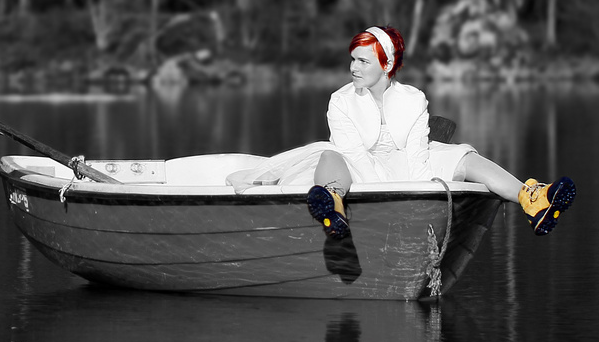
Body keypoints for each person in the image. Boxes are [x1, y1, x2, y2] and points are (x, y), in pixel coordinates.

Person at [227, 25, 574, 239]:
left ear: (387, 65)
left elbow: (417, 154)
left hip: (407, 168)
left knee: (463, 155)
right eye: (353, 59)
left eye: (363, 61)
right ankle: (333, 207)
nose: (353, 67)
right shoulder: (341, 101)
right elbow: (354, 155)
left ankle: (533, 200)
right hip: (358, 170)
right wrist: (389, 192)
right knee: (329, 154)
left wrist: (422, 198)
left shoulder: (413, 99)